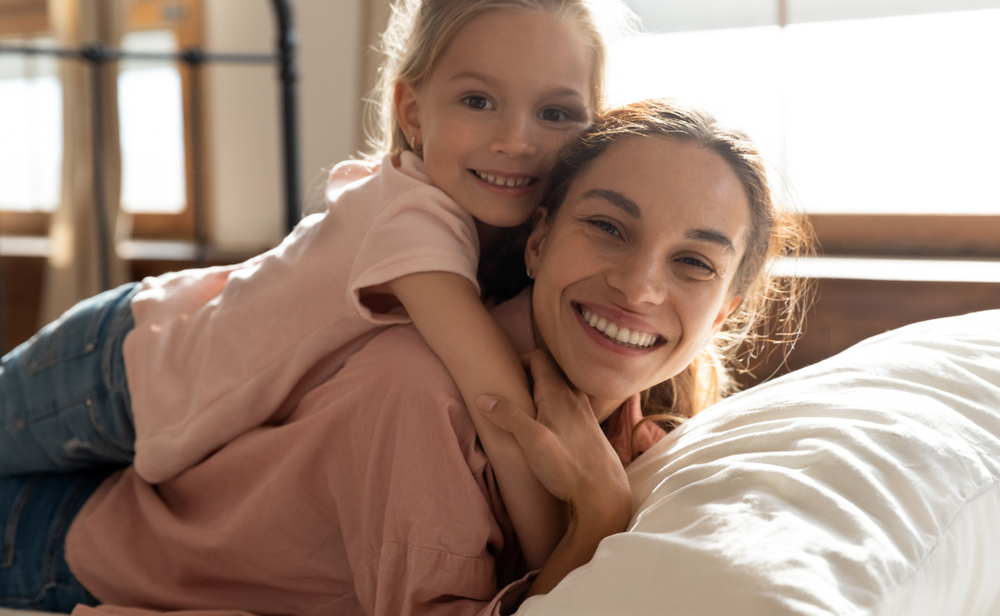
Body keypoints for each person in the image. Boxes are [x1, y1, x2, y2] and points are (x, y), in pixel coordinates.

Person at [0, 98, 813, 614]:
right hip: (86, 536)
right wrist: (595, 519)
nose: (639, 285)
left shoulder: (654, 436)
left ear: (728, 310)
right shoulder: (420, 387)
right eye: (608, 225)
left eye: (694, 262)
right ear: (537, 240)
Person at [0, 0, 637, 572]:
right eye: (478, 100)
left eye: (556, 113)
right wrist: (566, 555)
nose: (516, 140)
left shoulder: (516, 238)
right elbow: (499, 407)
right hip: (126, 367)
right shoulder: (410, 214)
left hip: (184, 416)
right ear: (412, 113)